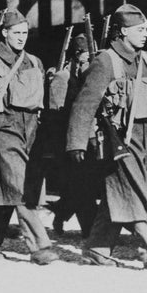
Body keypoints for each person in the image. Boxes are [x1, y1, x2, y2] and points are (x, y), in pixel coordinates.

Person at [66, 4, 147, 271]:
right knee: (135, 193)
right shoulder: (106, 60)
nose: (146, 34)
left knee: (118, 196)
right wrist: (77, 142)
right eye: (140, 30)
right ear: (124, 31)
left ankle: (98, 248)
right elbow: (85, 104)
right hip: (117, 140)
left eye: (146, 29)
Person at [0, 11, 58, 265]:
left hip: (29, 132)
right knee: (21, 187)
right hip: (2, 131)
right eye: (16, 33)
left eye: (25, 33)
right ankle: (40, 245)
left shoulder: (34, 62)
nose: (21, 38)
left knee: (10, 189)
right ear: (5, 33)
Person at [46, 33, 101, 237]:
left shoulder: (92, 73)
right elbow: (55, 111)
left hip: (92, 136)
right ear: (77, 55)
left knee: (82, 184)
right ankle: (89, 229)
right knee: (81, 184)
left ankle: (61, 212)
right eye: (87, 56)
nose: (90, 60)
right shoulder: (63, 76)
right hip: (69, 139)